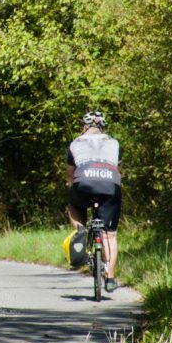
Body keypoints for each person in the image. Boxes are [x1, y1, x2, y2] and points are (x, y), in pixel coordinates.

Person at [66, 110, 122, 292]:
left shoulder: (75, 143)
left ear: (85, 126)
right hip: (109, 184)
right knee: (110, 235)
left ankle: (80, 230)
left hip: (84, 183)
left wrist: (70, 186)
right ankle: (111, 277)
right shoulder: (114, 143)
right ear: (102, 126)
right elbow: (117, 169)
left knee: (74, 204)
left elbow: (70, 175)